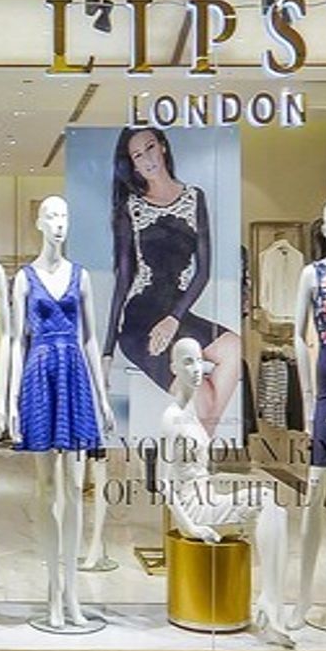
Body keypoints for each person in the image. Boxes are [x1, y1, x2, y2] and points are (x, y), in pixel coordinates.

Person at [103, 126, 243, 427]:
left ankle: (201, 443)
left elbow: (203, 272)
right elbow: (123, 280)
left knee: (234, 347)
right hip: (140, 323)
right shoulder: (131, 208)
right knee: (203, 399)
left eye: (150, 148)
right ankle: (203, 447)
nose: (147, 159)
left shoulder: (194, 198)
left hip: (176, 316)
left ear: (163, 147)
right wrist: (107, 352)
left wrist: (174, 318)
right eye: (137, 156)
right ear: (133, 164)